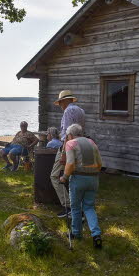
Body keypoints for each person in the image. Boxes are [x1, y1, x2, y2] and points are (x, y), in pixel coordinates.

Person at [59, 124, 102, 248]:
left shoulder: (71, 143)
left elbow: (71, 163)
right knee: (89, 207)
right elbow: (100, 163)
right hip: (94, 179)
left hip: (78, 178)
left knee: (76, 207)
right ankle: (96, 234)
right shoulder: (92, 142)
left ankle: (76, 233)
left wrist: (64, 177)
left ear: (70, 135)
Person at [50, 90, 85, 218]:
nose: (60, 105)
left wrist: (64, 152)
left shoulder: (68, 111)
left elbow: (68, 133)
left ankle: (68, 206)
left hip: (68, 146)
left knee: (55, 176)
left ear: (65, 101)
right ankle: (78, 208)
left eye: (60, 103)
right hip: (79, 145)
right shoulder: (81, 111)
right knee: (73, 176)